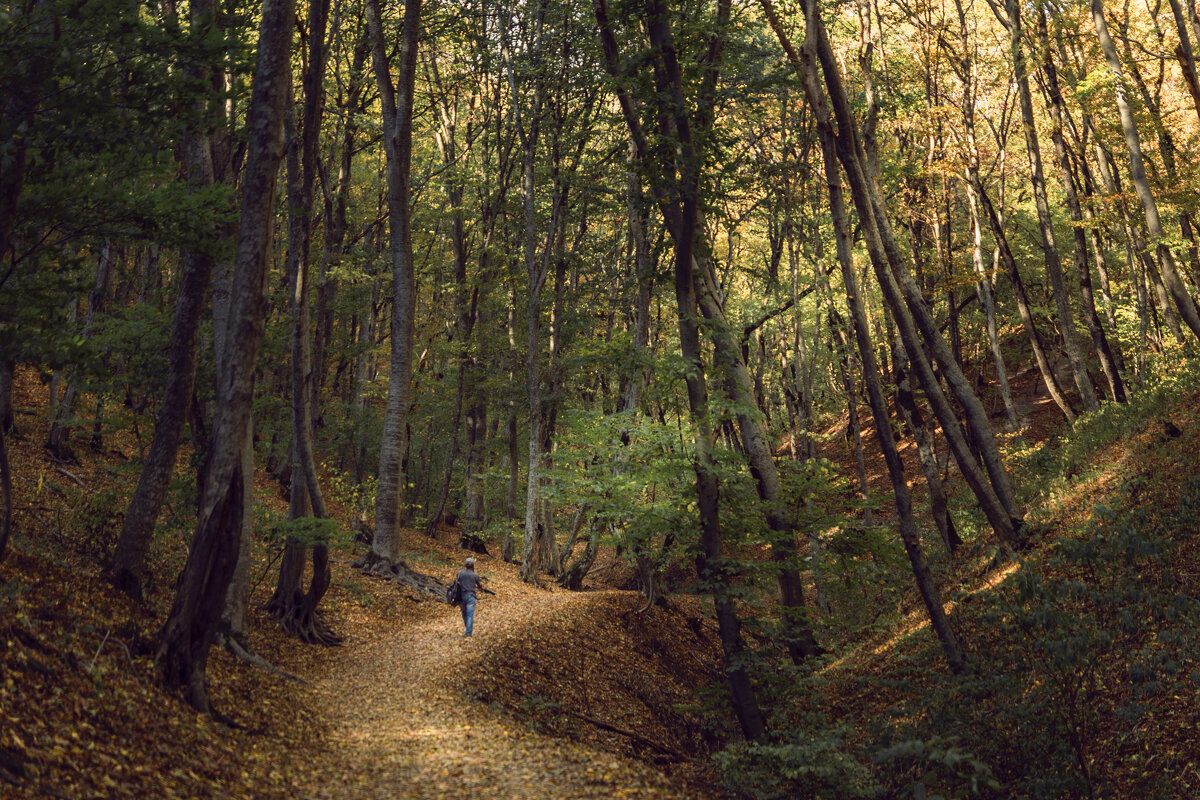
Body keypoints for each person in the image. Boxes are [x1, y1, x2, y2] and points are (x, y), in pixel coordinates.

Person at [454, 557, 487, 636]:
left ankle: (468, 629)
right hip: (470, 596)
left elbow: (457, 582)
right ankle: (468, 633)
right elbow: (479, 585)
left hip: (461, 596)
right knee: (470, 615)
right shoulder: (475, 575)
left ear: (465, 565)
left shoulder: (460, 572)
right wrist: (481, 588)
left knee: (464, 614)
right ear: (473, 565)